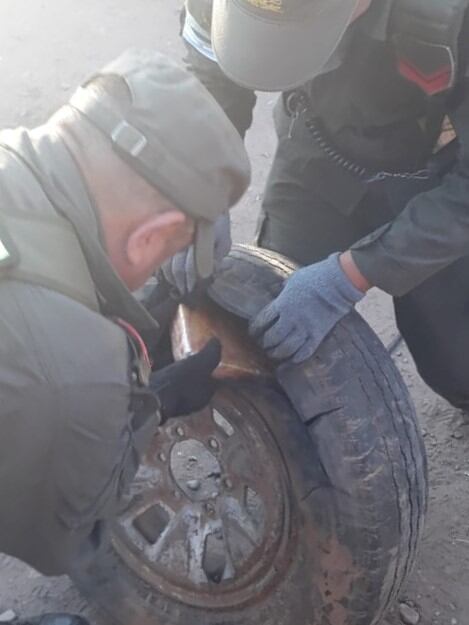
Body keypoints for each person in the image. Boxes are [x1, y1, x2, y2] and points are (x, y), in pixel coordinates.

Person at [0, 49, 250, 625]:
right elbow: (63, 544)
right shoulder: (74, 377)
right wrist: (145, 404)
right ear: (148, 239)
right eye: (175, 248)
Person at [169, 0, 469, 410]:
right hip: (318, 143)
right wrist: (202, 187)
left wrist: (350, 276)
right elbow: (213, 75)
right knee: (269, 322)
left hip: (439, 174)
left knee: (457, 366)